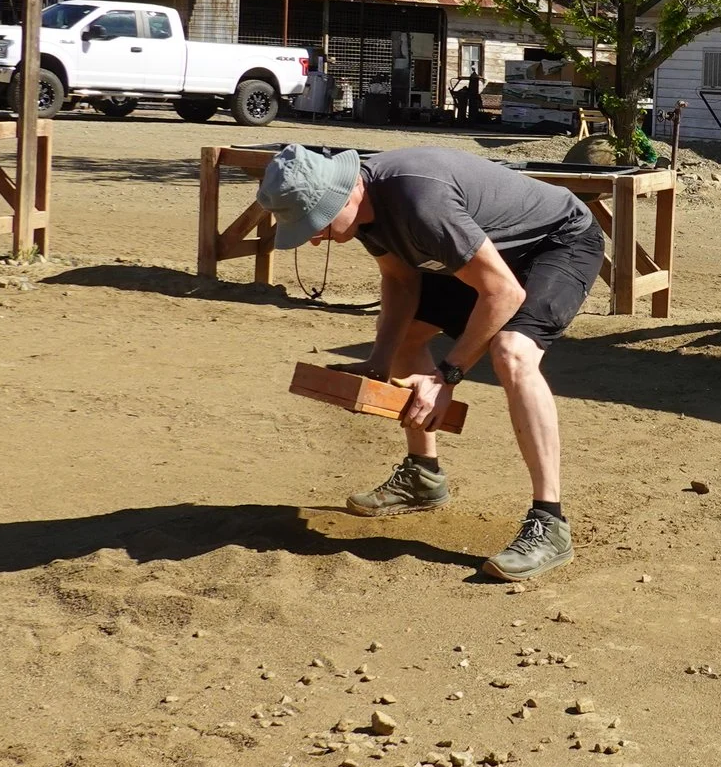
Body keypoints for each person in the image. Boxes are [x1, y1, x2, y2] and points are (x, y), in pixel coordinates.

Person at [257, 144, 604, 580]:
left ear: (344, 195)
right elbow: (401, 281)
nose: (314, 237)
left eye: (317, 222)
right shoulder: (364, 208)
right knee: (404, 336)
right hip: (487, 250)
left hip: (557, 242)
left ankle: (550, 523)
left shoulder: (419, 200)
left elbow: (503, 293)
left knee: (512, 352)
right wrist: (379, 361)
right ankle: (423, 477)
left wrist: (446, 377)